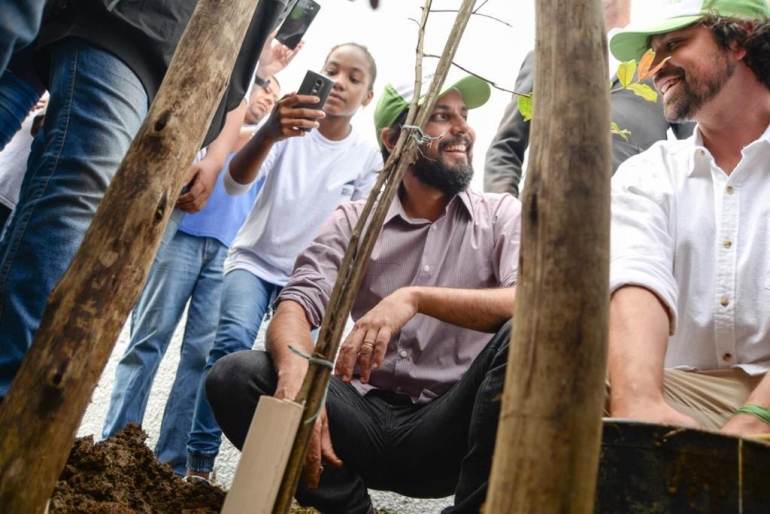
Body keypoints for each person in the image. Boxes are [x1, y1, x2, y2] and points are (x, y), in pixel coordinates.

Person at [205, 68, 523, 514]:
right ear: (394, 140)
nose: (462, 129)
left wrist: (414, 298)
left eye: (464, 116)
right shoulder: (354, 220)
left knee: (529, 333)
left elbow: (531, 303)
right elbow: (296, 305)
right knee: (236, 375)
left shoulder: (501, 216)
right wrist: (299, 384)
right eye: (440, 116)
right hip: (357, 419)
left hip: (452, 427)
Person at [0, 0, 291, 399]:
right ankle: (7, 387)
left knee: (105, 267)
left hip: (200, 87)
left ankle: (32, 399)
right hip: (131, 24)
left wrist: (218, 150)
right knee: (78, 193)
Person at [185, 42, 385, 480]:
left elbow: (355, 232)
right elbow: (236, 185)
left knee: (291, 370)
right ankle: (199, 465)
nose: (339, 82)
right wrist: (270, 132)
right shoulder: (289, 128)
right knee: (229, 345)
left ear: (368, 96)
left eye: (354, 78)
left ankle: (263, 477)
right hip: (254, 260)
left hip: (308, 283)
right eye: (332, 70)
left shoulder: (367, 158)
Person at [100, 74, 284, 477]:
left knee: (201, 358)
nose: (268, 97)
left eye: (275, 94)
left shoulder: (270, 145)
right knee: (147, 342)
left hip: (230, 254)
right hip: (181, 234)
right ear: (244, 93)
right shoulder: (217, 128)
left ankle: (172, 464)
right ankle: (113, 448)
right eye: (263, 88)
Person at [606, 0, 770, 436]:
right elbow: (635, 275)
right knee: (541, 363)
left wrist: (756, 417)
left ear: (738, 39)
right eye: (650, 53)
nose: (654, 67)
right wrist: (639, 403)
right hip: (685, 392)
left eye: (674, 44)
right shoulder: (647, 173)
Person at [484, 0, 695, 198]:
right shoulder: (544, 57)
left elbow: (696, 148)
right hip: (545, 223)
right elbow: (506, 147)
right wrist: (508, 217)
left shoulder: (658, 62)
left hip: (639, 221)